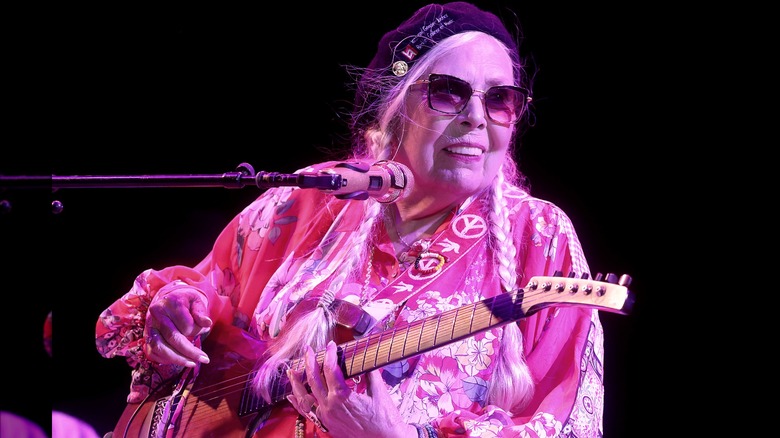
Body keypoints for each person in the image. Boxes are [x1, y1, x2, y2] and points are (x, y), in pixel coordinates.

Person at [96, 2, 622, 437]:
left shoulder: (541, 236)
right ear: (396, 106)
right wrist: (175, 309)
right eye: (449, 91)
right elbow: (202, 299)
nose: (476, 117)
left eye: (500, 99)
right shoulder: (304, 200)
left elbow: (569, 424)